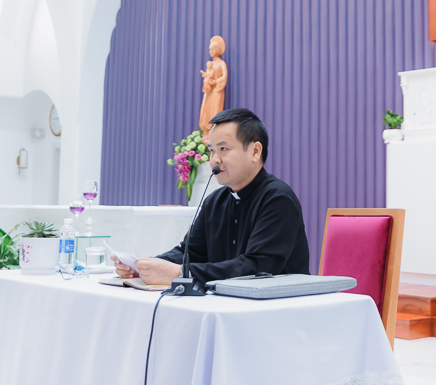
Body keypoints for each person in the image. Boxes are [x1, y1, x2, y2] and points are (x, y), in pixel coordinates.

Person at [115, 108, 309, 285]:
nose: (214, 160)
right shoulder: (215, 201)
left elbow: (256, 267)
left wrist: (182, 273)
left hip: (279, 305)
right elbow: (190, 253)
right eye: (211, 151)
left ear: (255, 152)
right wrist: (145, 266)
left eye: (223, 149)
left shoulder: (278, 199)